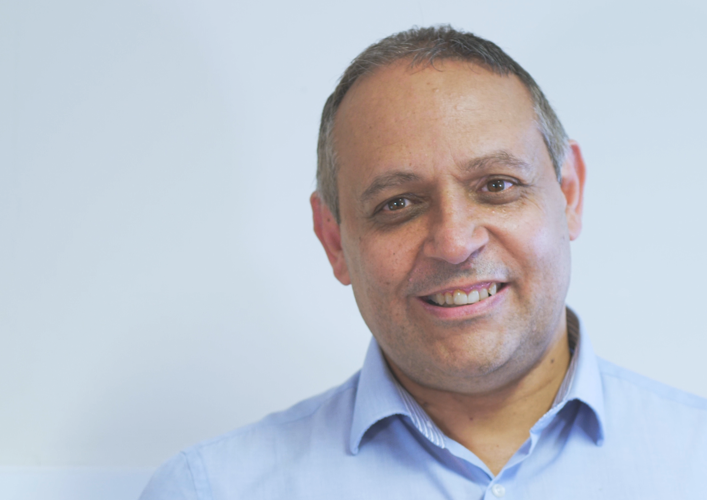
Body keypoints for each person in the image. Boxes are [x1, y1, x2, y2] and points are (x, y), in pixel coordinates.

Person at [140, 26, 707, 499]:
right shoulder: (209, 489)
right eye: (398, 204)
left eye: (497, 185)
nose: (455, 242)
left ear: (569, 195)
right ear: (334, 240)